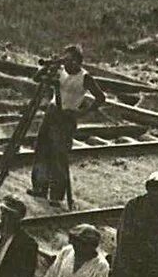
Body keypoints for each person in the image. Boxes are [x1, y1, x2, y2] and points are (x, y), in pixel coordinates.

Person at [28, 45, 106, 209]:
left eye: (69, 60)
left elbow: (100, 97)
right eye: (65, 59)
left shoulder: (85, 77)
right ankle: (39, 187)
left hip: (67, 116)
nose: (66, 63)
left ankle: (56, 195)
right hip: (52, 111)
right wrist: (49, 66)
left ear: (77, 61)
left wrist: (82, 113)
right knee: (42, 149)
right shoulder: (60, 71)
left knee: (59, 155)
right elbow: (36, 78)